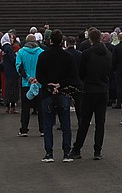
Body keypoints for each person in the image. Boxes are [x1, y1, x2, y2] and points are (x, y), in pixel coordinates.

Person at [34, 29, 76, 162]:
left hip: (47, 93)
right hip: (63, 92)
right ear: (62, 41)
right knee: (65, 124)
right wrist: (60, 85)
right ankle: (67, 153)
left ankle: (49, 153)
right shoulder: (68, 56)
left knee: (47, 124)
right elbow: (73, 76)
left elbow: (39, 75)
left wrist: (49, 85)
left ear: (50, 40)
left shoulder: (43, 56)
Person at [70, 27, 110, 160]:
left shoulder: (86, 54)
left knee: (84, 121)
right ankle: (97, 151)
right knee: (100, 122)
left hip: (89, 89)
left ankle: (77, 149)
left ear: (90, 39)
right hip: (103, 89)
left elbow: (81, 72)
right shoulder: (108, 53)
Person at [15, 33, 42, 137]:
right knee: (40, 107)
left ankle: (24, 129)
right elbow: (43, 66)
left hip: (26, 83)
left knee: (25, 107)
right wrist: (37, 78)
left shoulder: (21, 52)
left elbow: (19, 67)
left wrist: (28, 77)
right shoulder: (41, 52)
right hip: (39, 83)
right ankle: (42, 129)